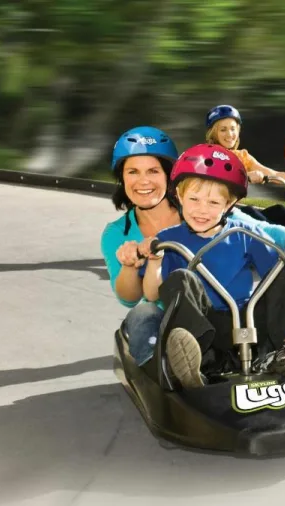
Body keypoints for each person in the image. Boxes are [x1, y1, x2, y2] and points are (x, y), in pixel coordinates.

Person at [142, 143, 285, 388]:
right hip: (205, 331)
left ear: (229, 205)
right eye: (194, 199)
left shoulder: (244, 232)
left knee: (283, 272)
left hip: (248, 325)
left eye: (213, 203)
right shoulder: (168, 239)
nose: (202, 210)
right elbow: (150, 293)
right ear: (179, 196)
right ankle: (196, 364)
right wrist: (155, 260)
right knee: (181, 278)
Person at [100, 126, 182, 367]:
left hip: (208, 310)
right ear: (122, 178)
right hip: (160, 317)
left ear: (168, 176)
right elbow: (128, 299)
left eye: (153, 171)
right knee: (143, 312)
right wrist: (130, 266)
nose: (143, 181)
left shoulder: (198, 213)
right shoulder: (117, 233)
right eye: (133, 171)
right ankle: (161, 369)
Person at [205, 104, 285, 225]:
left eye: (233, 129)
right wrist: (245, 177)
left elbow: (274, 174)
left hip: (236, 209)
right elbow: (215, 180)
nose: (229, 134)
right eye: (223, 130)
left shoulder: (242, 156)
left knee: (281, 211)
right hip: (220, 213)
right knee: (254, 214)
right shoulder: (208, 155)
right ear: (213, 133)